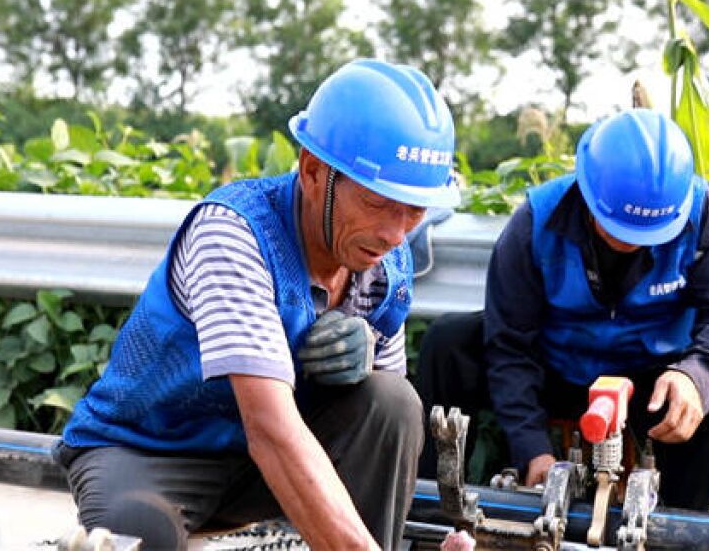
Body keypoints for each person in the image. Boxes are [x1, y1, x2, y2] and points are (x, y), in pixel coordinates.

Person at [56, 59, 460, 550]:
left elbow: (382, 432)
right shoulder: (235, 233)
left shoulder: (386, 263)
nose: (396, 234)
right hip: (150, 452)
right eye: (377, 203)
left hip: (257, 468)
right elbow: (269, 429)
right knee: (135, 532)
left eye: (414, 210)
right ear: (313, 172)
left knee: (392, 402)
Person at [415, 108, 709, 511]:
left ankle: (678, 524)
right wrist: (532, 450)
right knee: (448, 342)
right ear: (587, 192)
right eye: (620, 230)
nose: (635, 243)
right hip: (558, 371)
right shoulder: (535, 223)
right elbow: (509, 346)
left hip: (650, 381)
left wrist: (697, 374)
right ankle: (430, 510)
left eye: (651, 233)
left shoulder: (703, 215)